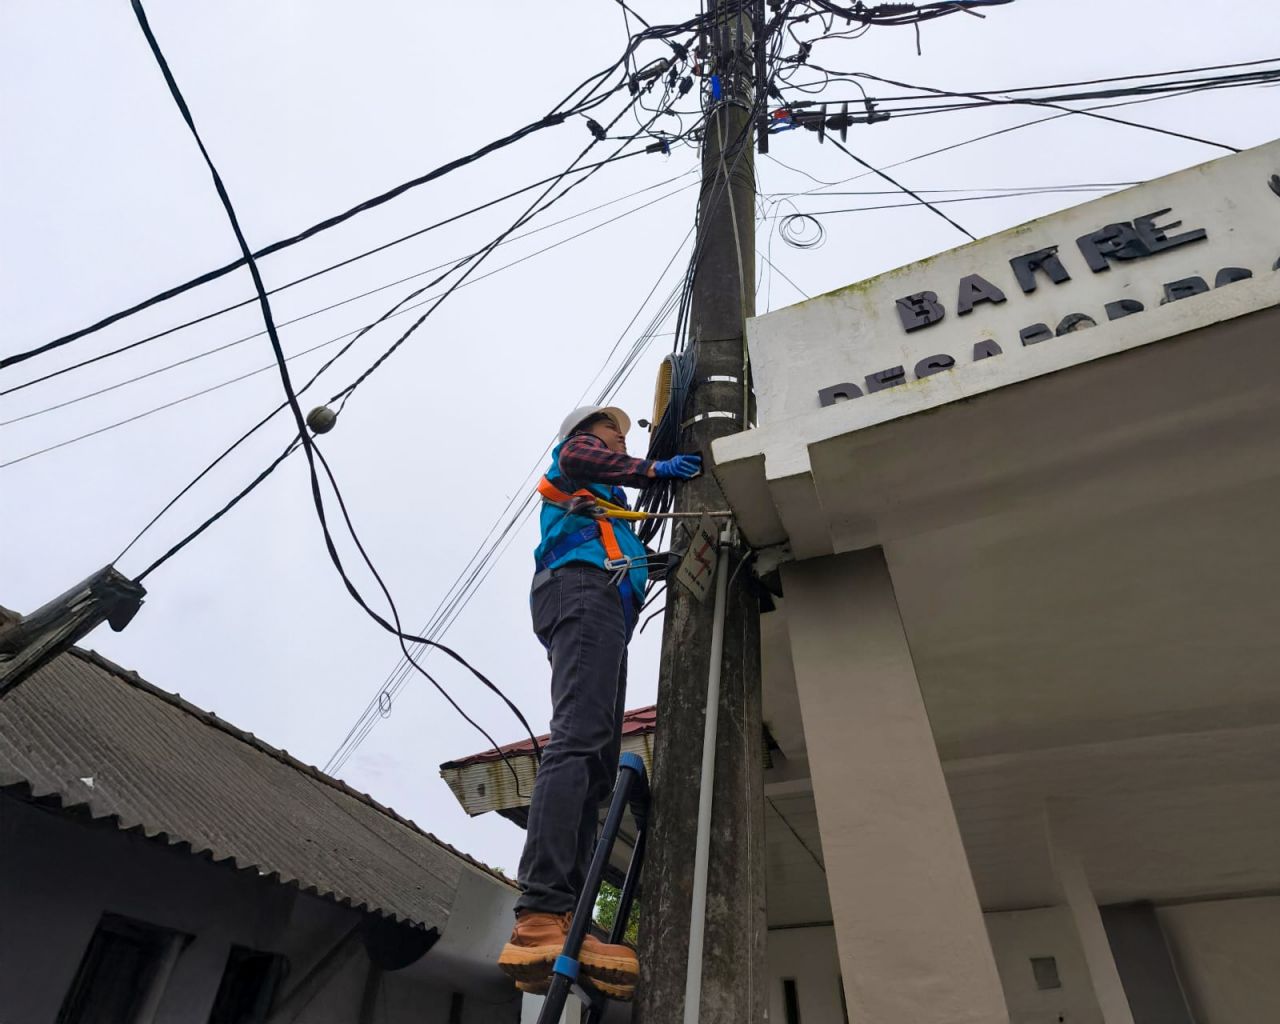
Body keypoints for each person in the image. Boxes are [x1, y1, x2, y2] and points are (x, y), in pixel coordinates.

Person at [498, 405, 701, 999]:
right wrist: (657, 464)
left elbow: (628, 549)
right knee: (579, 742)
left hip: (603, 605)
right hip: (580, 593)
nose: (620, 434)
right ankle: (540, 913)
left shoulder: (612, 512)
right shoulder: (575, 465)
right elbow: (582, 456)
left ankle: (567, 922)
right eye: (613, 429)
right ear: (588, 435)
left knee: (598, 765)